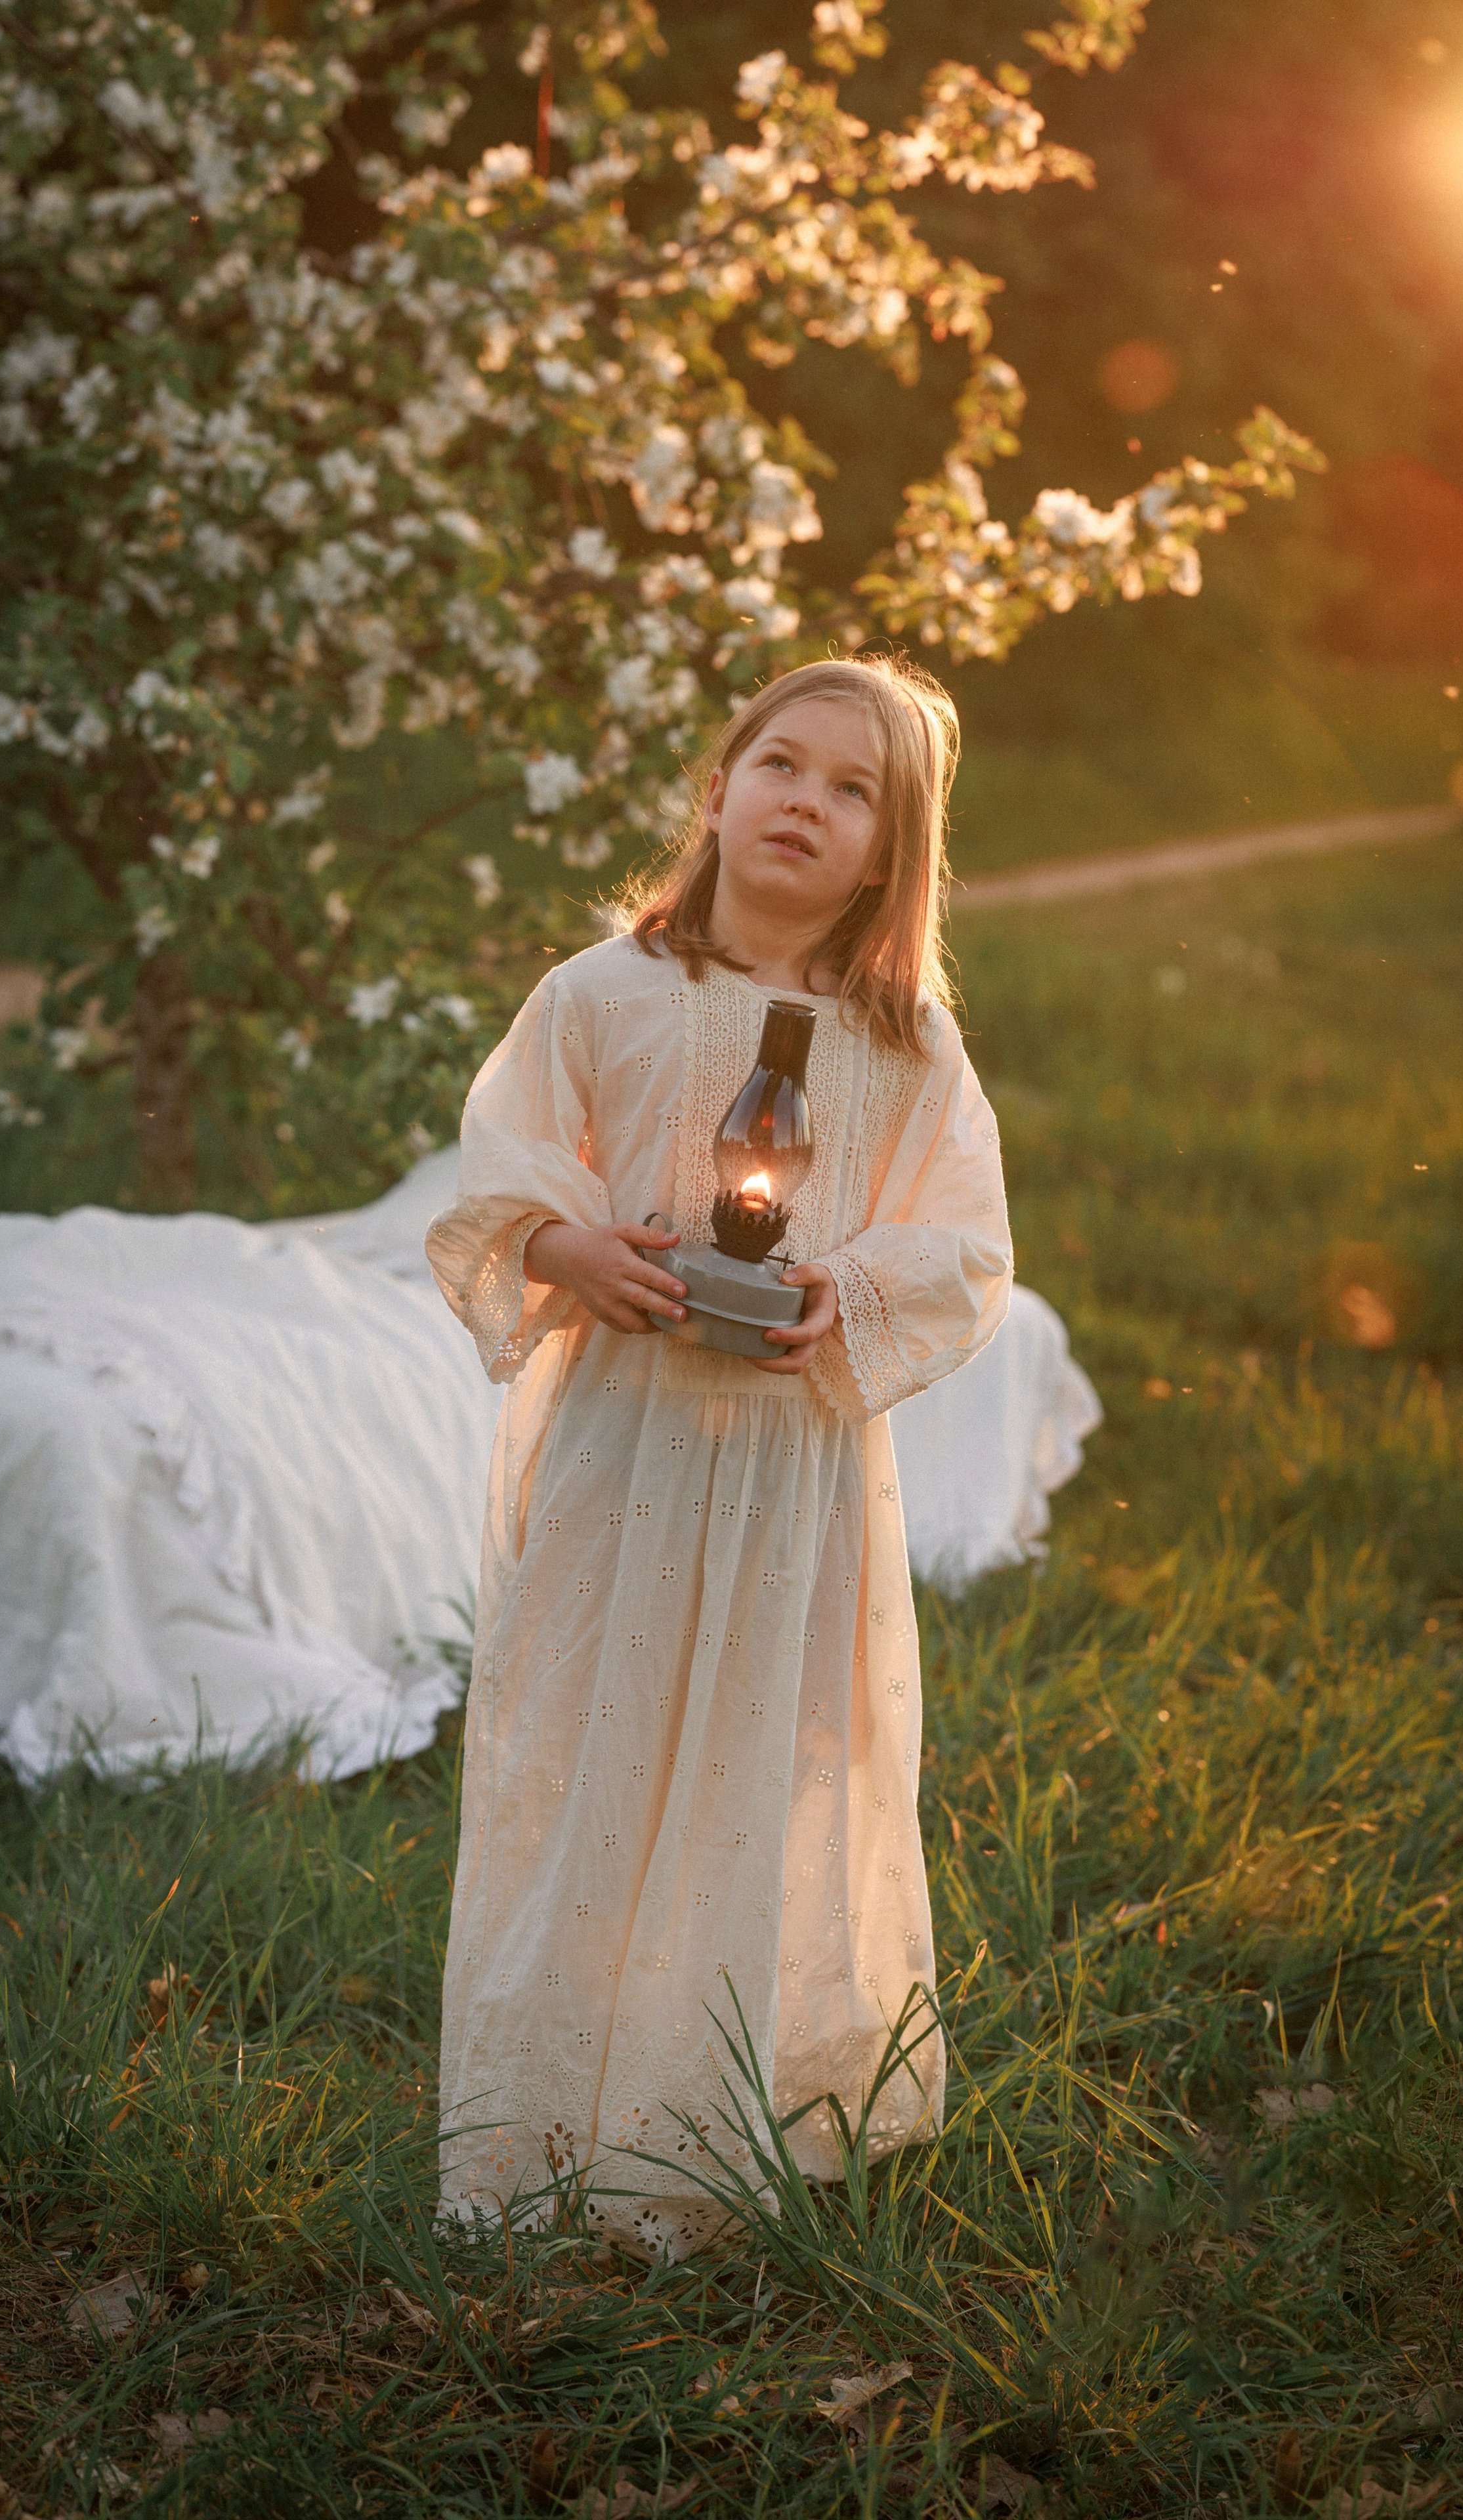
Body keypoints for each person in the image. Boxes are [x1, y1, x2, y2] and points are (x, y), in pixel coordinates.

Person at [425, 654, 1012, 2258]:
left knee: (763, 1771)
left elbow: (961, 1247)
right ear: (718, 784)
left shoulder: (904, 1043)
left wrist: (849, 1286)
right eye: (781, 764)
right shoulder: (602, 994)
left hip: (787, 1489)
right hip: (623, 1459)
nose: (805, 806)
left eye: (851, 793)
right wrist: (567, 1246)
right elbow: (510, 1158)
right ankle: (545, 2120)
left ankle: (701, 2126)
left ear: (890, 852)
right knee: (593, 1758)